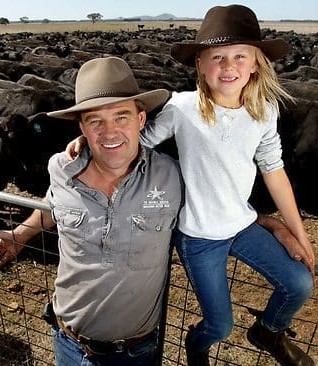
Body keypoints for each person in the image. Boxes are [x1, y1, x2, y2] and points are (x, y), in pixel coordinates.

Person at [66, 5, 316, 366]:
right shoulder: (182, 108)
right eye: (217, 57)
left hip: (242, 225)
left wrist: (299, 233)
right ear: (200, 64)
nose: (228, 66)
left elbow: (273, 170)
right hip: (198, 236)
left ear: (256, 63)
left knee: (299, 283)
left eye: (239, 56)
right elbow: (140, 141)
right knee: (220, 325)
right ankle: (196, 347)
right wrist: (92, 141)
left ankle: (268, 330)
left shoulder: (265, 110)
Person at [0, 56, 184, 366]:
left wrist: (271, 223)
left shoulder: (173, 176)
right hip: (67, 342)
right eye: (95, 121)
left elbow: (217, 212)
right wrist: (21, 233)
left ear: (142, 119)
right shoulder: (61, 168)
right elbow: (54, 206)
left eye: (121, 117)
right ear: (81, 126)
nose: (110, 132)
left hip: (133, 352)